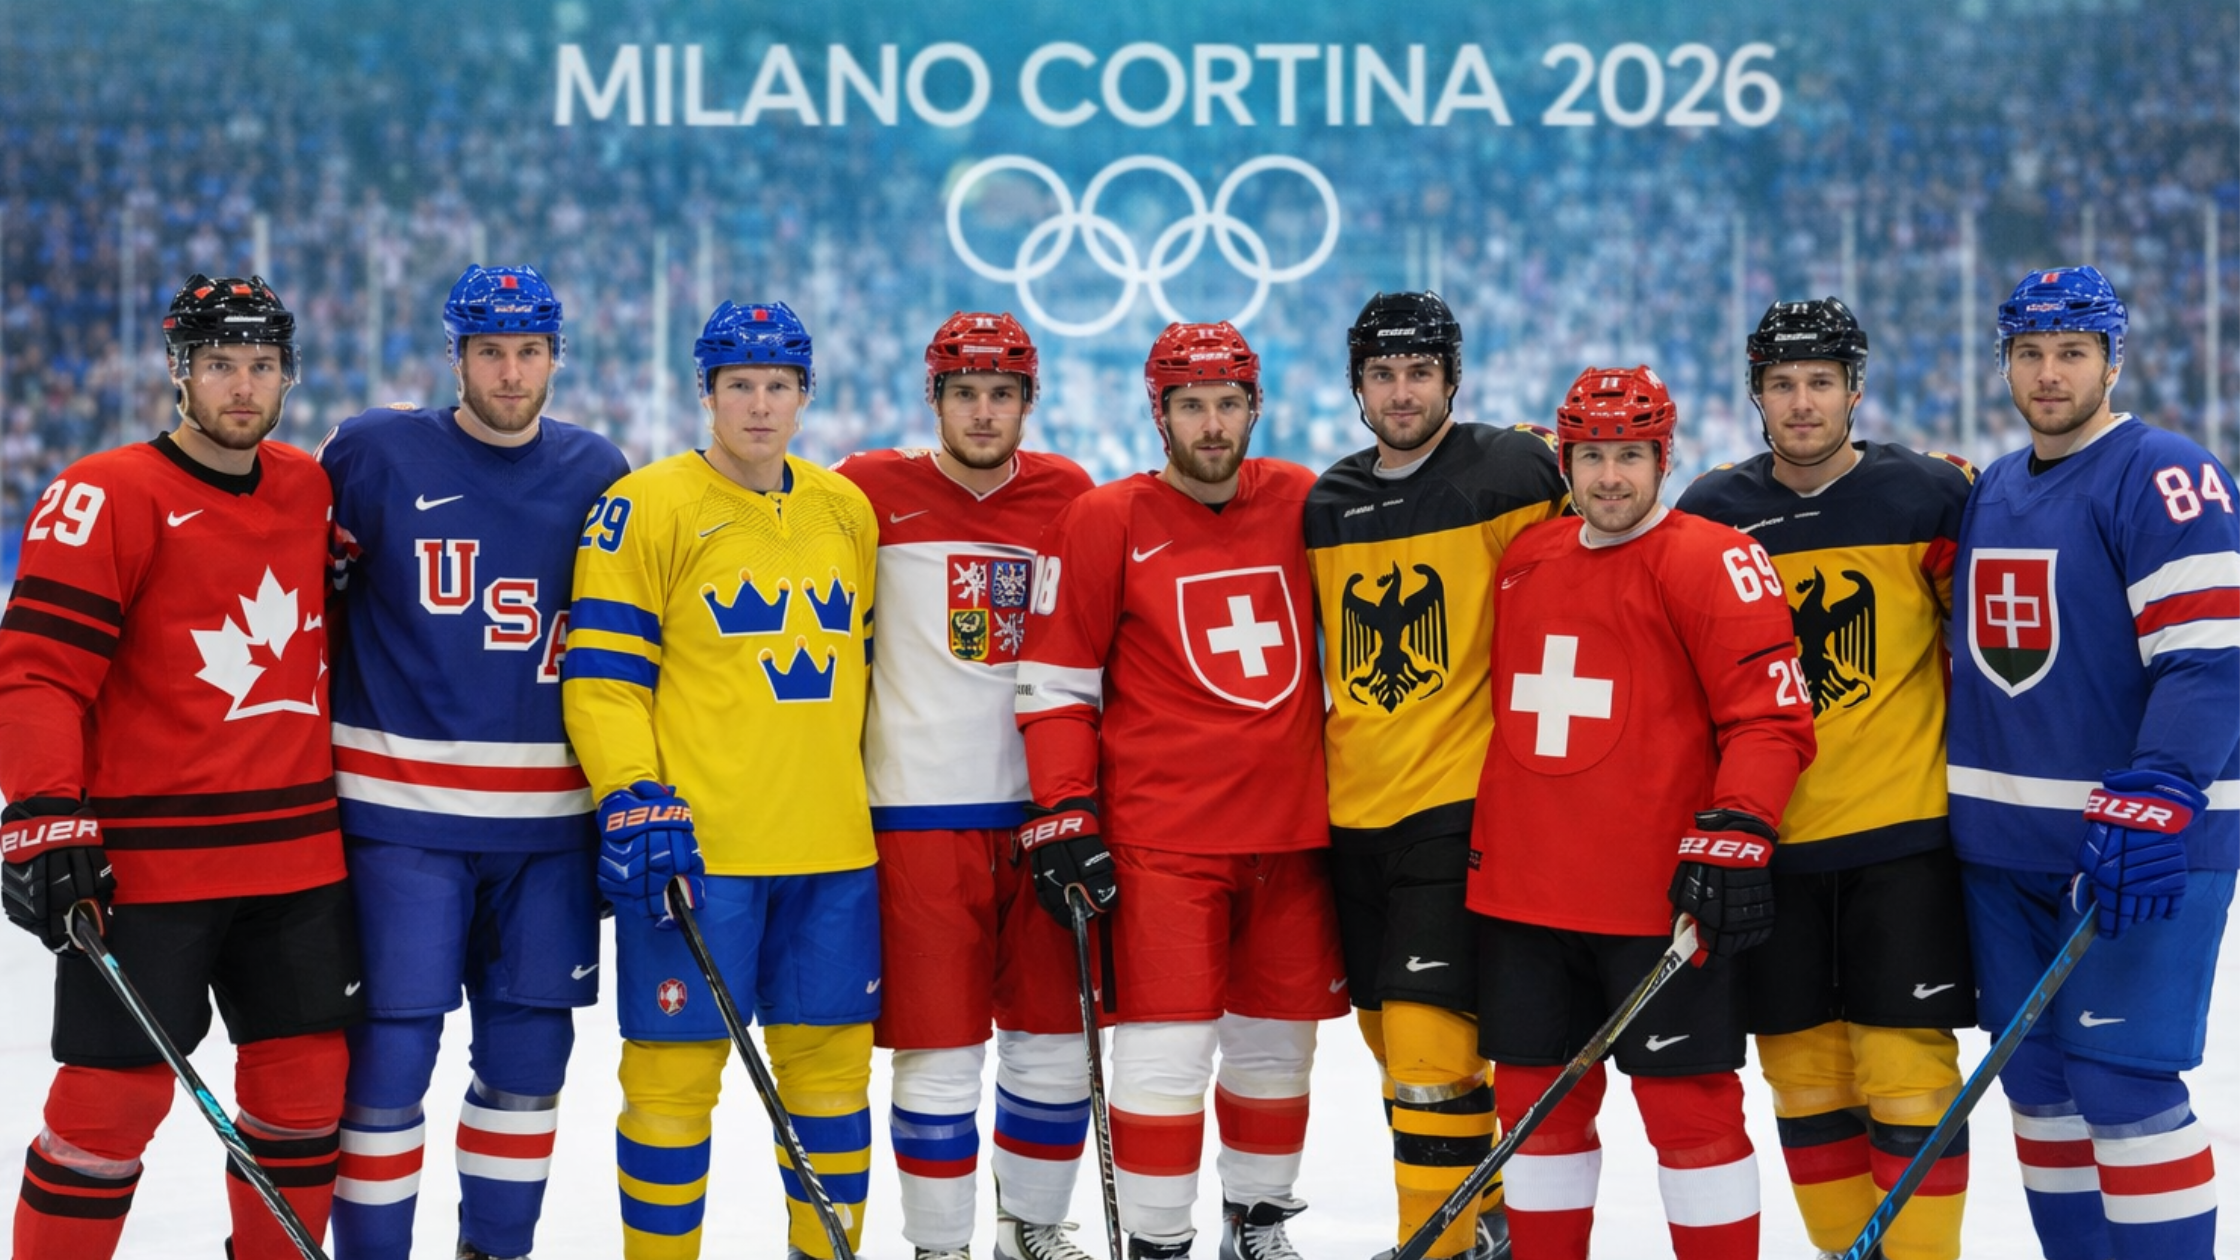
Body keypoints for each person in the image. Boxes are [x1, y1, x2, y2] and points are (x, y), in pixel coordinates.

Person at [0, 274, 361, 1259]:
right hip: (153, 870)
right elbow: (36, 673)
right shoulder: (104, 493)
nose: (240, 387)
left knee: (304, 1095)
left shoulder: (307, 488)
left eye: (259, 365)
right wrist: (44, 812)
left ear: (287, 374)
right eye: (217, 365)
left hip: (298, 864)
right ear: (178, 373)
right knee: (107, 1105)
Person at [1467, 365, 1816, 1260]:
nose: (1610, 477)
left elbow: (1772, 720)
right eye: (1591, 457)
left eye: (1630, 455)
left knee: (1690, 1113)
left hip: (1656, 900)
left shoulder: (1715, 558)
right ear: (1566, 462)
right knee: (1535, 1114)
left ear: (1664, 457)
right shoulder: (1527, 560)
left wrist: (1738, 830)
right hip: (1525, 894)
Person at [1014, 322, 1347, 1260]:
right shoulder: (1104, 518)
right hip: (1164, 839)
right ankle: (1160, 1242)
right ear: (1158, 412)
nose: (1211, 424)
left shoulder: (1303, 500)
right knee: (1164, 1055)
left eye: (1228, 403)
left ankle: (1259, 1224)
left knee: (1278, 1052)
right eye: (1191, 405)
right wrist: (1064, 809)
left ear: (1256, 406)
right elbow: (1053, 682)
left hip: (1293, 835)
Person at [318, 264, 629, 1260]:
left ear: (555, 358)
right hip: (400, 818)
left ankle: (492, 1252)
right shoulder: (373, 453)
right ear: (456, 355)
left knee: (529, 1065)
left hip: (548, 830)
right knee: (388, 1064)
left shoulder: (599, 471)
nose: (509, 372)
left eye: (529, 351)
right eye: (489, 351)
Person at [561, 301, 880, 1260]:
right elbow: (604, 681)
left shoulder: (845, 509)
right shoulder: (648, 504)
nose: (758, 404)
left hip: (833, 852)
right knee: (669, 1086)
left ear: (805, 395)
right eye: (738, 384)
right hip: (700, 854)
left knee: (831, 1087)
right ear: (705, 394)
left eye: (778, 385)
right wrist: (630, 792)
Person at [1676, 298, 1977, 1260]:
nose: (1800, 403)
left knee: (1909, 1077)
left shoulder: (1930, 496)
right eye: (1780, 384)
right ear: (1755, 394)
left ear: (1854, 386)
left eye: (1819, 382)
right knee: (1807, 1086)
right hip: (1773, 849)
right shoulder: (1712, 513)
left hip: (1904, 842)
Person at [1947, 265, 2237, 1260]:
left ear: (2111, 359)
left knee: (2121, 1083)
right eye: (2027, 353)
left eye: (2070, 352)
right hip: (2004, 848)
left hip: (2133, 844)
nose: (2047, 373)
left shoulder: (2162, 474)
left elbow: (2206, 657)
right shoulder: (1990, 486)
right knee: (2034, 1083)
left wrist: (2161, 792)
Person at [1303, 291, 1565, 1260]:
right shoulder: (1325, 503)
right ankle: (1479, 1212)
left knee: (1424, 1045)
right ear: (1356, 385)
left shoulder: (1510, 471)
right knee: (1395, 1046)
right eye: (1381, 374)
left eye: (1419, 372)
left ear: (1451, 375)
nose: (1401, 392)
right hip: (1352, 814)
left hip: (1457, 805)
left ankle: (1435, 1243)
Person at [831, 312, 1098, 1260]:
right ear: (933, 398)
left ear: (1029, 400)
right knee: (938, 1053)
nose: (983, 412)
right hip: (916, 813)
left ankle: (1031, 1228)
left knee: (1054, 1044)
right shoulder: (864, 490)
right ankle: (939, 1246)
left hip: (1044, 812)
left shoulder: (1070, 494)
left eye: (1002, 393)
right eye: (964, 393)